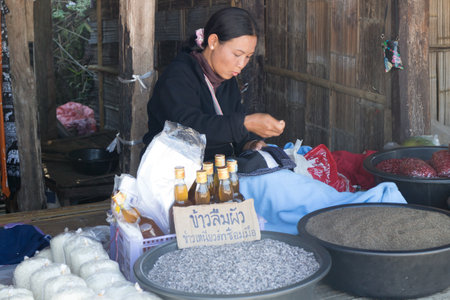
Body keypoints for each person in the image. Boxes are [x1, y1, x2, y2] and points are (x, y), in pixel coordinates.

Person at [142, 7, 285, 161]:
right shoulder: (177, 77)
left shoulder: (227, 80)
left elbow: (233, 134)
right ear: (213, 41)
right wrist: (244, 124)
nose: (242, 64)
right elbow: (188, 130)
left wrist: (250, 144)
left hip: (217, 171)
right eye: (237, 54)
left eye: (248, 56)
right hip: (174, 174)